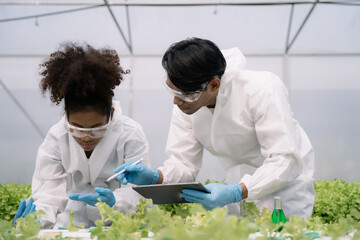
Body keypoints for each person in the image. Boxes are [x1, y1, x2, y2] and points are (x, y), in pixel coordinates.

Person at [114, 37, 315, 218]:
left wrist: (237, 191)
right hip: (238, 180)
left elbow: (284, 159)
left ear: (214, 85)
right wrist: (155, 177)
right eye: (172, 90)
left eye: (185, 94)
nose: (176, 101)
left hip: (284, 184)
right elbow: (184, 164)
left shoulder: (261, 89)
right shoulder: (187, 105)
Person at [13, 42, 150, 228]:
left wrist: (115, 201)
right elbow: (48, 193)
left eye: (97, 128)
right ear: (66, 116)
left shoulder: (130, 134)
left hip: (120, 226)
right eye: (76, 128)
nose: (86, 137)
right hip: (70, 226)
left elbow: (138, 192)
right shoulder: (56, 137)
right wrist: (36, 218)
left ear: (110, 114)